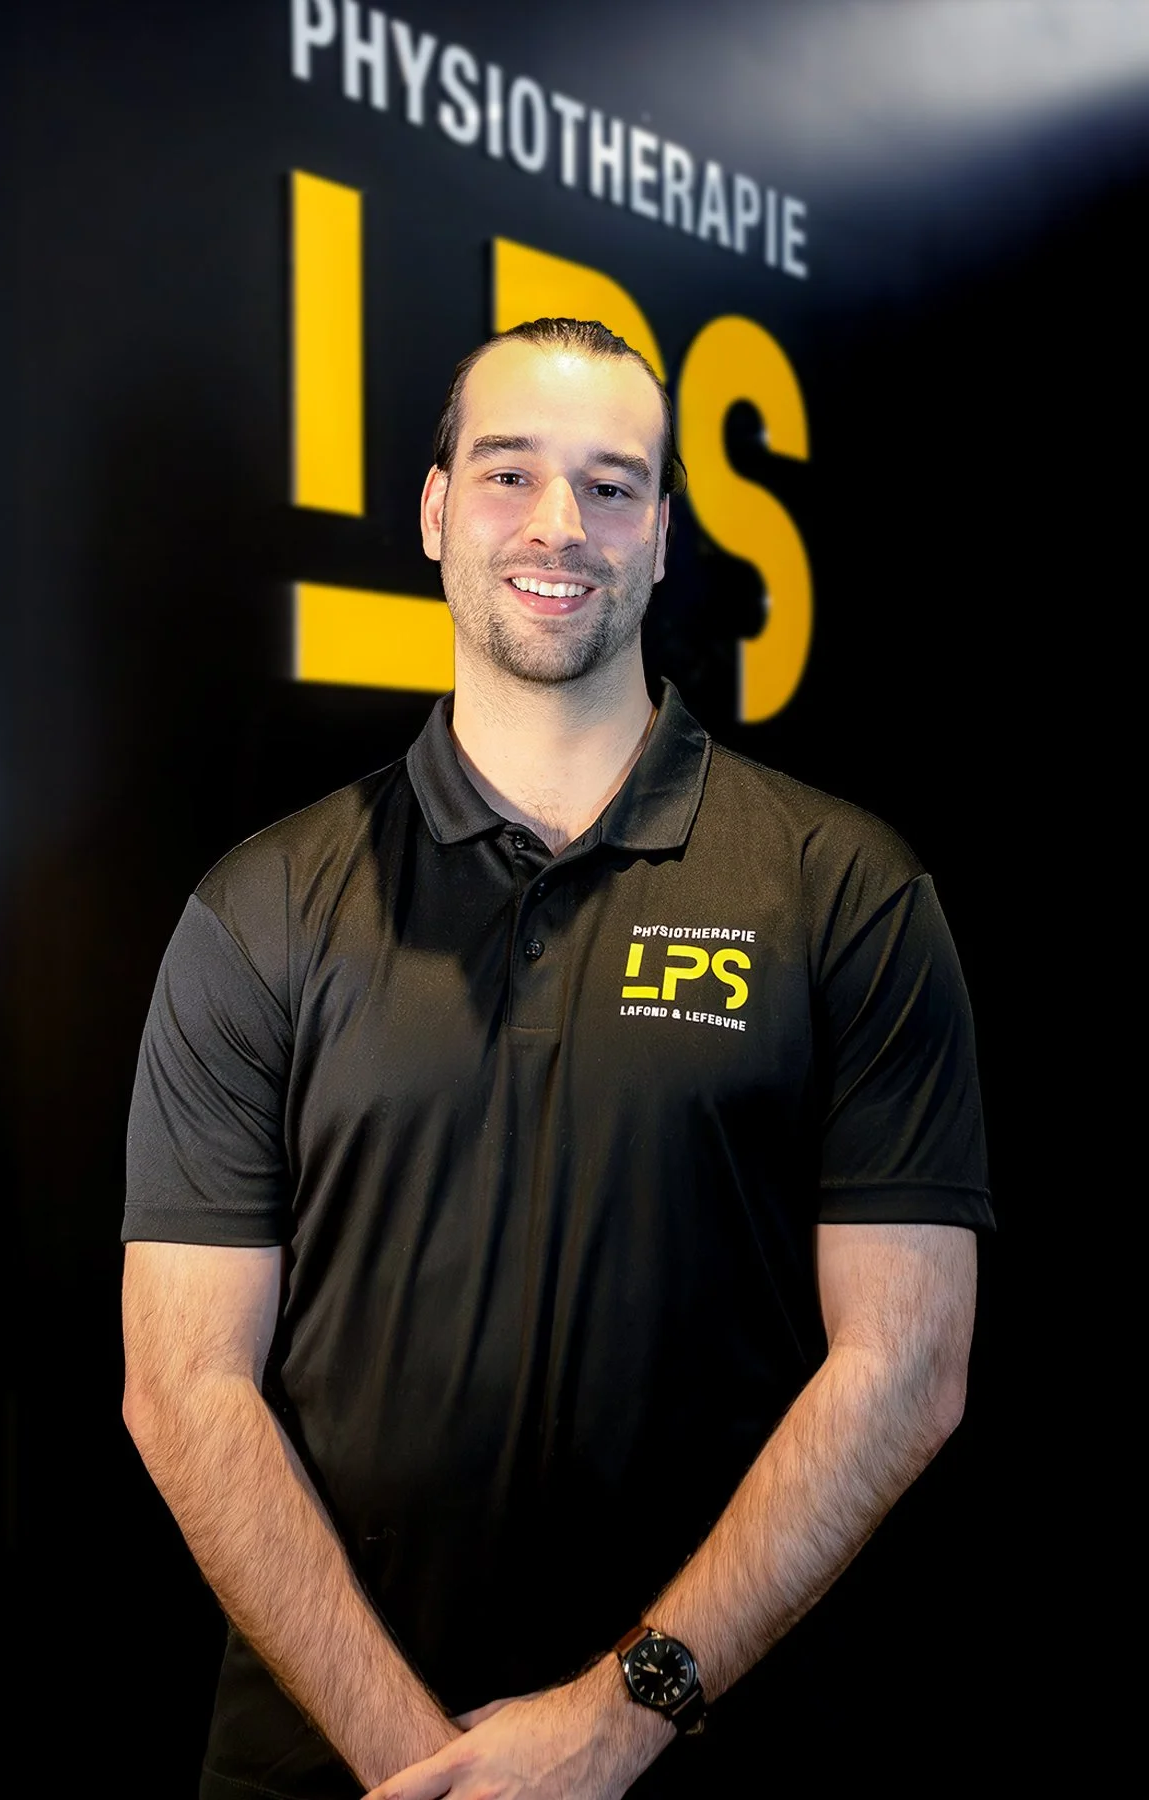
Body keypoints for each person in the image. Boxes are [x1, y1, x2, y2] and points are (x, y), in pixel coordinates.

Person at [122, 317, 992, 1799]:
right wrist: (425, 1767)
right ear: (436, 509)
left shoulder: (842, 886)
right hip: (332, 1769)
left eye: (609, 487)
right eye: (511, 472)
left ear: (661, 537)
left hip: (712, 1750)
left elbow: (906, 1366)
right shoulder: (260, 908)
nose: (557, 527)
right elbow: (182, 1387)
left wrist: (619, 1718)